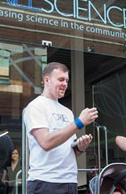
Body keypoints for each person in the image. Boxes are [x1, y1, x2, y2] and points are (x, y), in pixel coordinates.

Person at [23, 62, 98, 194]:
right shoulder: (35, 106)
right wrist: (79, 122)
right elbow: (45, 142)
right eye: (61, 79)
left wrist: (80, 147)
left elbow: (71, 151)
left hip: (70, 181)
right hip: (45, 182)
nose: (65, 84)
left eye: (67, 80)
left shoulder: (67, 112)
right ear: (46, 80)